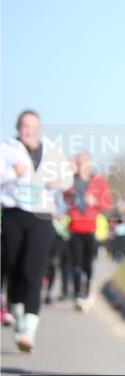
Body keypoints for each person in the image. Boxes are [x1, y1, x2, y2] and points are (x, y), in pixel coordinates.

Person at [1, 110, 74, 351]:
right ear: (18, 127)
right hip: (14, 214)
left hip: (42, 216)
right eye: (24, 125)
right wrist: (13, 173)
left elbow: (66, 178)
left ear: (39, 128)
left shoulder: (52, 151)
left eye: (32, 126)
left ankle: (28, 331)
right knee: (15, 267)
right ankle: (18, 312)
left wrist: (59, 183)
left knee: (34, 271)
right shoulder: (7, 149)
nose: (28, 130)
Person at [64, 152, 113, 310]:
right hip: (74, 228)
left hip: (92, 229)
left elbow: (107, 205)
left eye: (86, 162)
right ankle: (78, 294)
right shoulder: (69, 182)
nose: (82, 166)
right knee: (76, 263)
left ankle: (87, 290)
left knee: (88, 263)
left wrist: (95, 201)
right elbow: (60, 199)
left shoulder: (100, 182)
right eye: (79, 162)